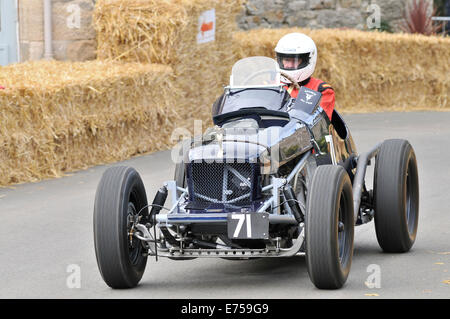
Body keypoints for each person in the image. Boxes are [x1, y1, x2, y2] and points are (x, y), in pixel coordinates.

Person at [275, 32, 335, 121]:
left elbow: (320, 124)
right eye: (287, 60)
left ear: (307, 61)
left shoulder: (321, 90)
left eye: (295, 60)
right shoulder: (272, 85)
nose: (290, 65)